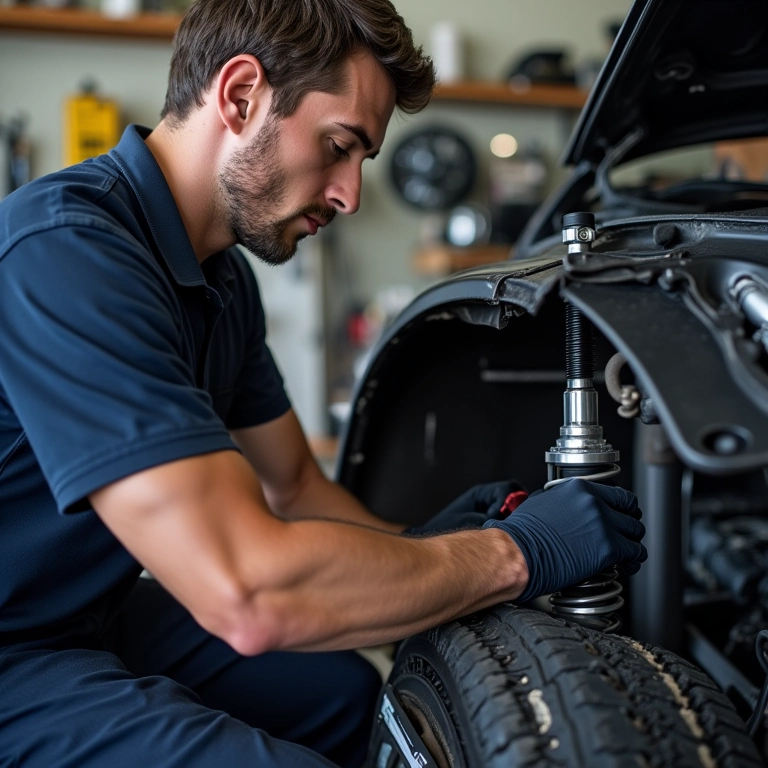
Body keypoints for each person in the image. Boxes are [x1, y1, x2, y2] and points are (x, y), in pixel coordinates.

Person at [0, 1, 647, 766]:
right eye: (340, 147)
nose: (351, 195)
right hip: (13, 647)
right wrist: (514, 555)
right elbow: (245, 591)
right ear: (240, 96)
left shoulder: (224, 282)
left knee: (345, 695)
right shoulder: (68, 253)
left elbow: (295, 489)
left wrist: (426, 545)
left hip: (86, 613)